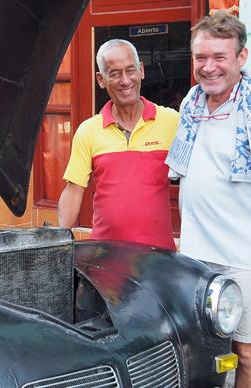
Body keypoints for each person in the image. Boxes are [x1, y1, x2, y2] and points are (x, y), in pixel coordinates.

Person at [166, 11, 251, 388]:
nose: (209, 68)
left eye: (220, 57)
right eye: (201, 58)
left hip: (246, 261)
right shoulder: (189, 108)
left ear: (242, 58)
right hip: (195, 258)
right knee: (201, 352)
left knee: (248, 354)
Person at [58, 39, 179, 250]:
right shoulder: (89, 130)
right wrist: (57, 244)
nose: (125, 80)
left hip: (159, 259)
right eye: (114, 73)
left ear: (141, 70)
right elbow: (73, 191)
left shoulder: (172, 122)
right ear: (101, 79)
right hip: (104, 256)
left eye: (130, 70)